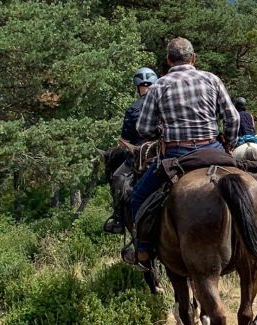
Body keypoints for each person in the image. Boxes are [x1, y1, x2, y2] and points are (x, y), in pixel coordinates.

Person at [125, 37, 244, 265]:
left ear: (169, 60)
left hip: (176, 155)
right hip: (213, 149)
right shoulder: (211, 79)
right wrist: (229, 142)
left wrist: (161, 129)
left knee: (138, 195)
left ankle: (143, 251)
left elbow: (143, 128)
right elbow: (232, 118)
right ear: (194, 58)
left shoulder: (159, 85)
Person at [104, 67, 161, 234]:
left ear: (138, 87)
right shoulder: (162, 103)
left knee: (117, 178)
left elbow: (125, 141)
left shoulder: (133, 109)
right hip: (164, 152)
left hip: (140, 156)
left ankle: (118, 219)